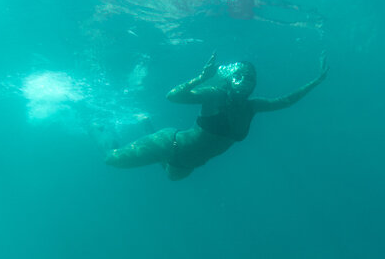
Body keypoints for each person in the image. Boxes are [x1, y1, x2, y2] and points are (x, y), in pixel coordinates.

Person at [104, 52, 328, 180]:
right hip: (169, 144)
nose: (246, 80)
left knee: (170, 176)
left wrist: (316, 81)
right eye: (240, 75)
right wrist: (200, 77)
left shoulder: (253, 106)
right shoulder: (215, 94)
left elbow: (286, 101)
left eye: (251, 77)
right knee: (112, 159)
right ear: (230, 80)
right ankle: (103, 133)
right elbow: (173, 97)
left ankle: (147, 128)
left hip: (186, 166)